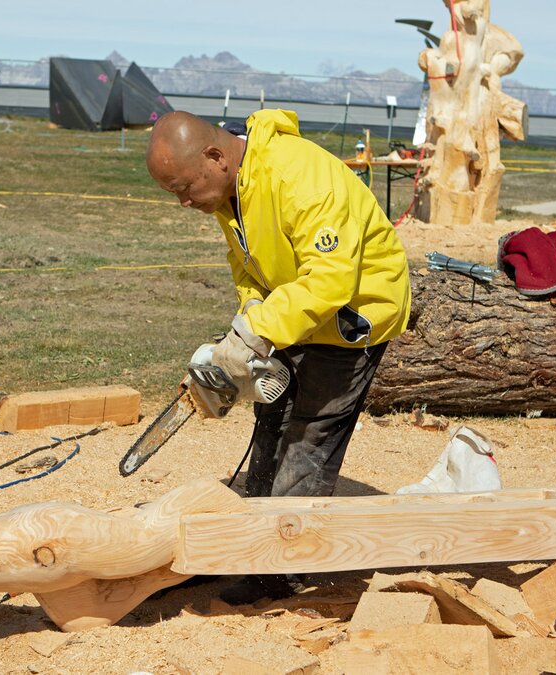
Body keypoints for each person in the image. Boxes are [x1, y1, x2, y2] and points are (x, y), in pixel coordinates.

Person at [145, 110, 411, 605]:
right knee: (271, 419)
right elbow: (247, 266)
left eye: (184, 187)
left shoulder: (298, 176)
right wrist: (248, 327)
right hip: (295, 307)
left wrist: (259, 330)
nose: (184, 202)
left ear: (215, 156)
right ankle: (247, 541)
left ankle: (282, 567)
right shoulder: (231, 192)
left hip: (354, 314)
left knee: (311, 432)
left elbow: (331, 280)